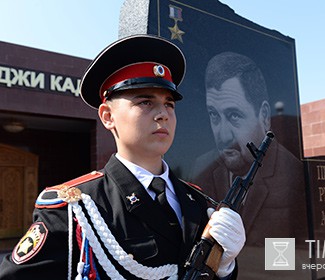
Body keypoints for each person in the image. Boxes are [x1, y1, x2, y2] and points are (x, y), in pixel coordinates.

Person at [0, 35, 245, 279]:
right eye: (145, 102)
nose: (163, 114)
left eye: (169, 103)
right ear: (107, 116)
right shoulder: (74, 207)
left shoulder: (198, 202)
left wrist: (225, 269)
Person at [190, 52, 306, 247]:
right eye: (214, 115)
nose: (223, 135)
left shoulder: (293, 175)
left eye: (234, 115)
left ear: (264, 116)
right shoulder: (201, 168)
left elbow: (286, 262)